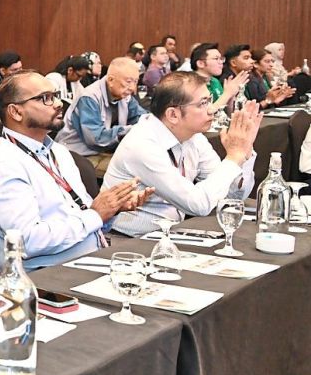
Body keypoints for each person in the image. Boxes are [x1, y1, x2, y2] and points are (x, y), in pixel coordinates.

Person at [0, 71, 151, 269]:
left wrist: (112, 209)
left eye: (56, 96)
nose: (58, 104)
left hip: (89, 260)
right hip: (48, 280)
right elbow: (28, 242)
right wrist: (96, 214)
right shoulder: (3, 165)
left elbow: (81, 215)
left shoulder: (58, 151)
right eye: (45, 99)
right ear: (16, 112)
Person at [104, 72, 261, 237]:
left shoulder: (193, 137)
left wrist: (245, 152)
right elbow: (198, 204)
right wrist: (233, 157)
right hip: (127, 240)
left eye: (209, 100)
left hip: (168, 233)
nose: (211, 109)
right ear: (173, 115)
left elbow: (233, 197)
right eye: (202, 104)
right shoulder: (142, 145)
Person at [55, 57, 145, 173]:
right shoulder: (89, 97)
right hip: (77, 153)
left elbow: (140, 116)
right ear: (111, 80)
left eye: (136, 82)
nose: (132, 88)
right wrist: (128, 130)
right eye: (128, 82)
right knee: (128, 171)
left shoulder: (124, 95)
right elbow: (96, 138)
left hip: (103, 151)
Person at [224, 44, 291, 110]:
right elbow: (244, 109)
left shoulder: (247, 77)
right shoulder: (228, 80)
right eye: (246, 58)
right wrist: (267, 101)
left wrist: (275, 98)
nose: (252, 61)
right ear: (233, 63)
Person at [191, 42, 247, 111]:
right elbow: (208, 112)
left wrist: (231, 97)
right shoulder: (190, 83)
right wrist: (228, 93)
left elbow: (226, 114)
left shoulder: (215, 81)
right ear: (200, 63)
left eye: (221, 59)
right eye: (216, 58)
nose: (221, 62)